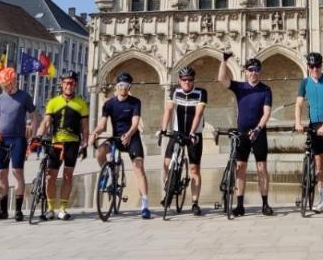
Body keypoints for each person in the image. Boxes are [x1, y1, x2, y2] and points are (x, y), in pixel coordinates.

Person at [218, 52, 274, 216]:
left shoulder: (265, 90)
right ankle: (240, 204)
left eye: (256, 69)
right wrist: (223, 61)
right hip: (242, 133)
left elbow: (266, 113)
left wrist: (258, 129)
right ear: (246, 72)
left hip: (258, 132)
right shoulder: (240, 87)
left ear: (260, 71)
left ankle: (265, 203)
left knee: (261, 167)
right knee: (240, 167)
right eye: (251, 69)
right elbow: (222, 79)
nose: (254, 72)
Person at [92, 72, 151, 219]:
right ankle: (107, 172)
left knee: (139, 167)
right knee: (99, 152)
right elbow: (103, 124)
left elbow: (135, 122)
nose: (123, 88)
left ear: (129, 87)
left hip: (132, 138)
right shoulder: (109, 104)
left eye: (126, 86)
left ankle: (144, 204)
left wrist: (129, 134)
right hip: (116, 138)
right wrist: (95, 132)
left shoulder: (135, 102)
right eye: (120, 86)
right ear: (116, 87)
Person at [36, 72, 90, 220]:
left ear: (75, 85)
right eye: (66, 83)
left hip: (72, 143)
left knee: (68, 176)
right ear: (61, 84)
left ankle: (63, 208)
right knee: (50, 177)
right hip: (56, 143)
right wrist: (38, 136)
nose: (68, 86)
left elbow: (85, 127)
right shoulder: (53, 102)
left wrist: (85, 144)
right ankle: (50, 208)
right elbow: (46, 122)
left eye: (71, 83)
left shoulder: (81, 103)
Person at [295, 51, 323, 216]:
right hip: (313, 126)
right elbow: (299, 104)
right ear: (308, 67)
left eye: (318, 66)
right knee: (319, 166)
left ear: (322, 66)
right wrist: (298, 122)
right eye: (312, 66)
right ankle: (321, 201)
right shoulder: (304, 83)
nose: (315, 69)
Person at [0, 66, 37, 221]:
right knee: (1, 174)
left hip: (18, 139)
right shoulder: (0, 98)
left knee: (17, 172)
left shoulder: (24, 97)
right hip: (2, 139)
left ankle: (18, 210)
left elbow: (34, 116)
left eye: (6, 85)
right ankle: (3, 211)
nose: (4, 88)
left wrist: (33, 134)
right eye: (2, 86)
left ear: (13, 82)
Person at [159, 66, 207, 215]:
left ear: (194, 81)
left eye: (190, 80)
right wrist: (163, 129)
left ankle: (194, 203)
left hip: (194, 133)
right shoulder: (175, 91)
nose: (187, 82)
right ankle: (169, 190)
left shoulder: (200, 93)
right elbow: (168, 111)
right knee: (166, 164)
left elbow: (198, 114)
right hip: (178, 132)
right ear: (179, 80)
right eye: (184, 80)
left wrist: (192, 133)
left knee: (194, 169)